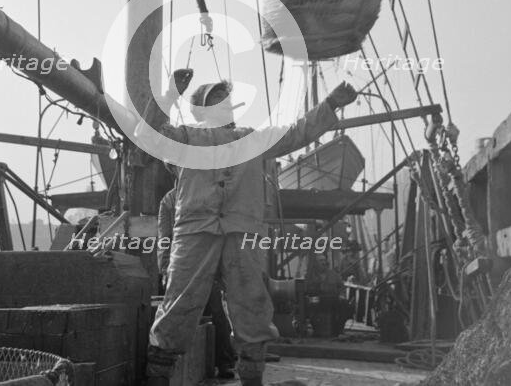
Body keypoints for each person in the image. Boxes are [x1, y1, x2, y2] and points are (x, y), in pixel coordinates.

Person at [137, 69, 357, 386]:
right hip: (196, 230)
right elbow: (148, 135)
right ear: (201, 110)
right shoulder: (186, 138)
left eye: (225, 102)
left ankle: (252, 378)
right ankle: (157, 378)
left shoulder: (249, 139)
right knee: (178, 306)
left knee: (252, 305)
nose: (223, 107)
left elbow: (295, 133)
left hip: (242, 232)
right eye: (215, 102)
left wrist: (330, 105)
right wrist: (170, 93)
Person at [157, 187, 237, 379]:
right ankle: (168, 364)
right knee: (180, 313)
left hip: (208, 260)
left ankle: (225, 362)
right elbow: (165, 237)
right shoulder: (169, 200)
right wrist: (165, 267)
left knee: (216, 311)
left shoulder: (211, 192)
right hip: (183, 263)